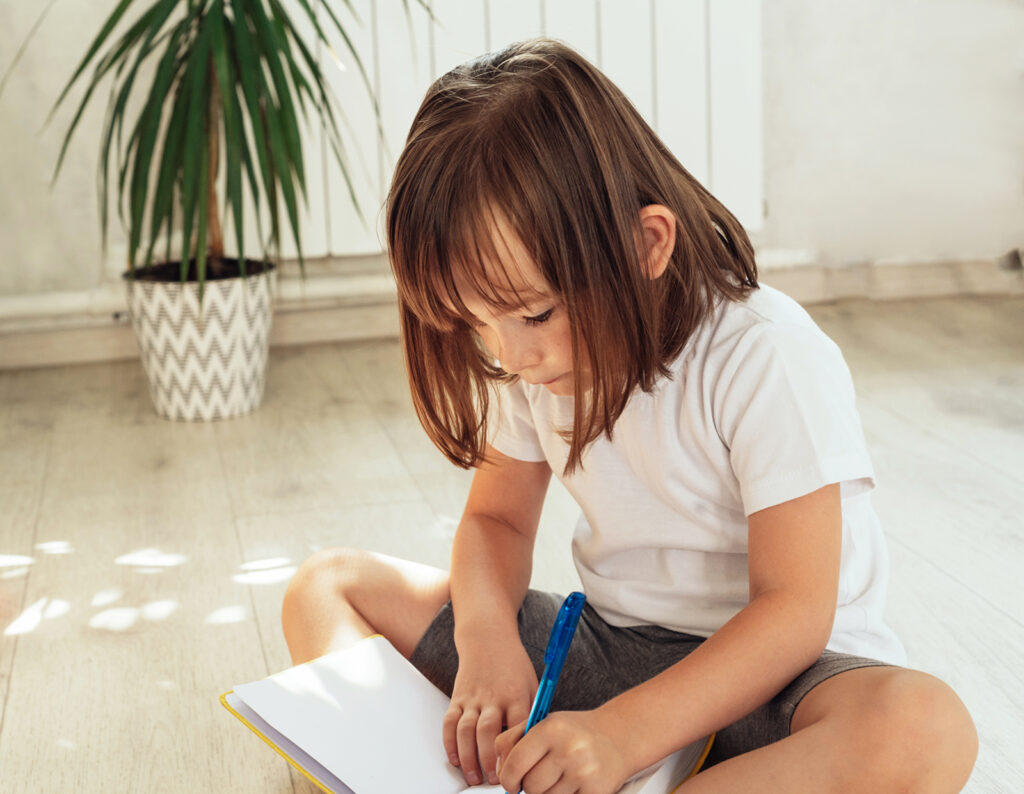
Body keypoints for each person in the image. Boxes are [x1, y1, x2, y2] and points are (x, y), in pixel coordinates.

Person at [282, 38, 977, 793]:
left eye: (533, 314)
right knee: (329, 585)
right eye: (473, 324)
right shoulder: (535, 356)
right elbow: (496, 524)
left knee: (925, 727)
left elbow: (794, 611)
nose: (508, 356)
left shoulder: (766, 355)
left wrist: (623, 735)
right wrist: (486, 643)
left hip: (779, 683)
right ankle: (397, 776)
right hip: (612, 654)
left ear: (646, 244)